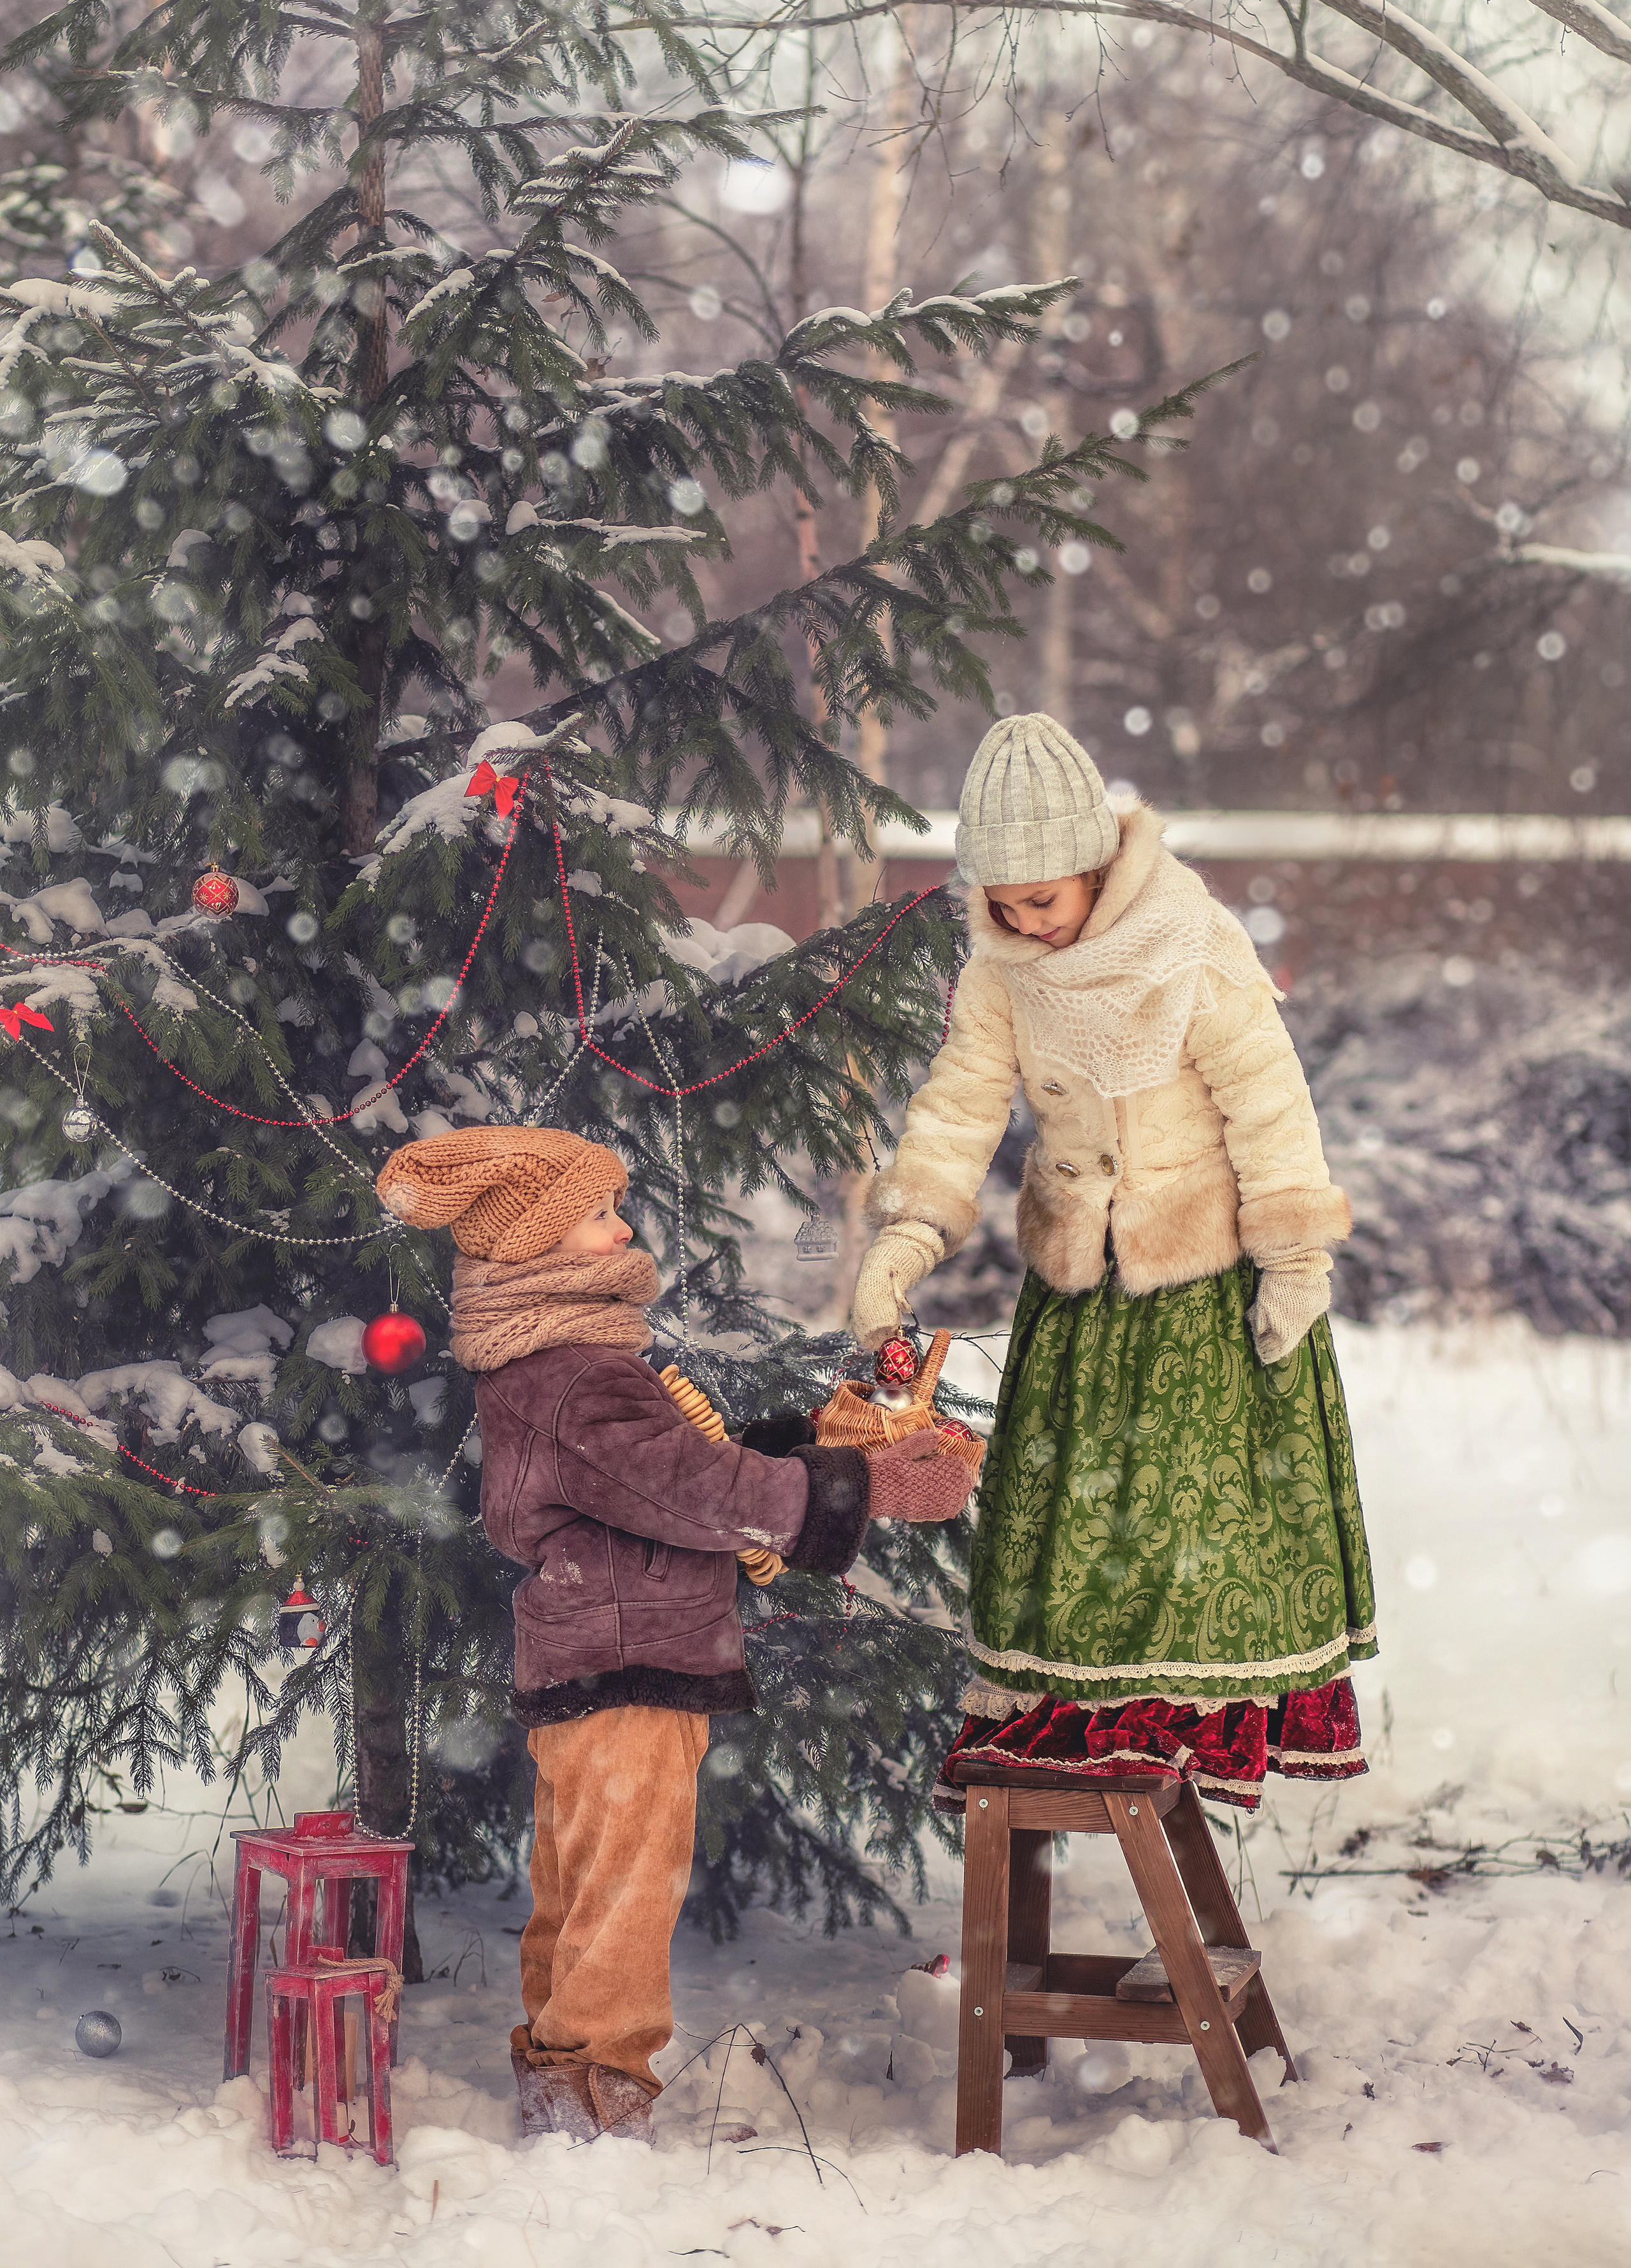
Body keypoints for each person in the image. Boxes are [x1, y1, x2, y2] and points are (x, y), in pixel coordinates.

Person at [377, 1125, 972, 2144]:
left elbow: (666, 1478)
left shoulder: (564, 1364)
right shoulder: (579, 1374)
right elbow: (686, 1490)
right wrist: (862, 1483)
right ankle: (599, 2113)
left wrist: (791, 1451)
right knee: (622, 1896)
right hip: (627, 1665)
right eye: (598, 1216)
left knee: (580, 1888)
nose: (624, 1231)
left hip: (599, 1653)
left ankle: (566, 2092)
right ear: (539, 1252)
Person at [849, 714, 1376, 1811]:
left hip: (1202, 1288)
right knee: (1076, 1519)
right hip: (1079, 1290)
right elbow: (959, 1102)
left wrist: (1292, 1256)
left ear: (1097, 865)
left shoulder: (1193, 943)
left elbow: (1270, 1100)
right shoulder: (1003, 970)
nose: (1023, 925)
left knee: (1186, 1520)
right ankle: (1087, 1720)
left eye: (1042, 900)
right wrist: (909, 1232)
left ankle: (1173, 1725)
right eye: (1001, 906)